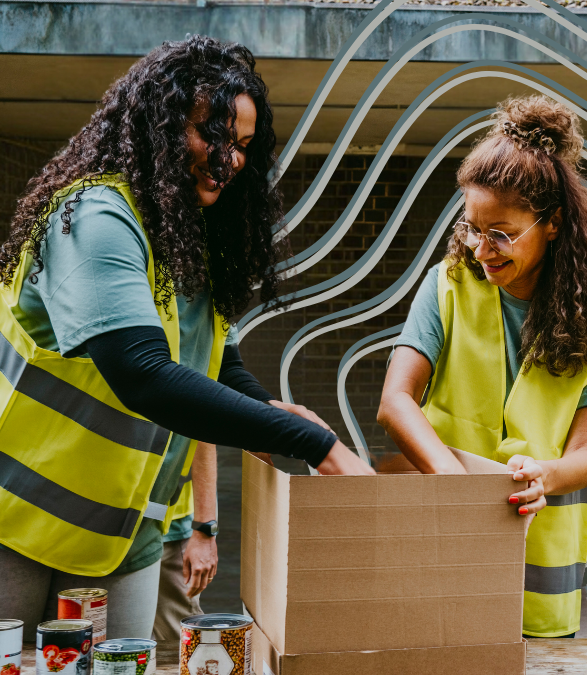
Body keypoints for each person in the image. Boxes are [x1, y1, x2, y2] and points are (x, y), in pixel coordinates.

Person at [0, 35, 374, 643]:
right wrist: (315, 443)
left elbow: (212, 357)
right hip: (15, 522)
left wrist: (267, 411)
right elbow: (143, 371)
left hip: (127, 535)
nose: (228, 159)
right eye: (212, 134)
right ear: (159, 124)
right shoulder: (96, 216)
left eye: (243, 146)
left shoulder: (184, 238)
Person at [377, 95, 587, 639]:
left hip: (545, 577)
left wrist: (546, 477)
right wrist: (456, 487)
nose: (482, 247)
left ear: (554, 225)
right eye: (471, 227)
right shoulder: (447, 285)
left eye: (502, 233)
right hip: (443, 551)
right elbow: (395, 402)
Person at [153, 442, 216, 641]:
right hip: (98, 522)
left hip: (170, 523)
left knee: (177, 639)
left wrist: (204, 529)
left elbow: (203, 436)